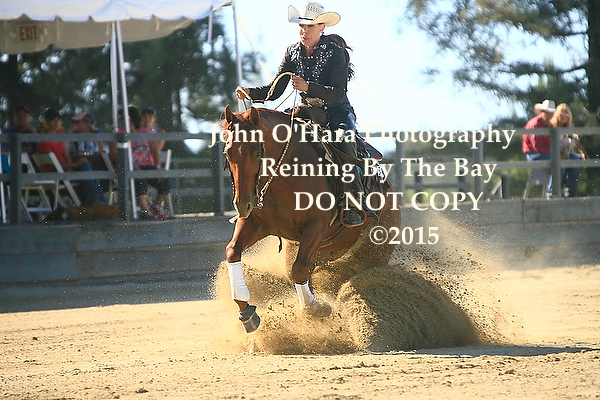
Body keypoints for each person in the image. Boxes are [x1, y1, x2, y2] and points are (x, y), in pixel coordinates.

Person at [234, 2, 364, 227]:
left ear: (322, 27)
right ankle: (262, 201)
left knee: (344, 139)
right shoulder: (292, 52)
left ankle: (353, 202)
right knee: (274, 138)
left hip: (337, 112)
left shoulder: (336, 53)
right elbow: (274, 91)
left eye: (310, 26)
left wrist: (308, 87)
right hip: (307, 112)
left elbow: (338, 94)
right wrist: (251, 93)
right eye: (301, 26)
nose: (304, 31)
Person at [36, 108, 107, 205]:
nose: (57, 123)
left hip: (64, 170)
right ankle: (98, 203)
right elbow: (53, 165)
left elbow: (67, 155)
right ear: (47, 122)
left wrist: (70, 166)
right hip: (54, 175)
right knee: (89, 173)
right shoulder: (43, 140)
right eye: (53, 120)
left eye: (58, 120)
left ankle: (95, 201)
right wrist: (75, 164)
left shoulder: (60, 135)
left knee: (87, 168)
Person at [120, 106, 171, 220]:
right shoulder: (120, 133)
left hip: (148, 166)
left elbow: (155, 152)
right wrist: (132, 164)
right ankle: (145, 210)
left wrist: (158, 168)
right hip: (133, 169)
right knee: (139, 178)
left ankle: (157, 205)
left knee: (165, 180)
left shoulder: (146, 132)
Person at [551, 103, 588, 197]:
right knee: (562, 165)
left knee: (577, 160)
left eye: (566, 116)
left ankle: (570, 193)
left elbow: (576, 142)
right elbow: (549, 146)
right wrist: (560, 155)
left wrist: (582, 152)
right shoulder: (552, 127)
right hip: (556, 155)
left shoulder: (568, 129)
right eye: (561, 115)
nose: (564, 118)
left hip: (566, 155)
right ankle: (553, 193)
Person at [523, 99, 556, 198]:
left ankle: (566, 193)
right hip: (533, 154)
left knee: (566, 163)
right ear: (542, 112)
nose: (550, 115)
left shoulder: (550, 126)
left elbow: (551, 144)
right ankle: (550, 194)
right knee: (557, 165)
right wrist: (554, 154)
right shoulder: (534, 125)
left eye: (551, 113)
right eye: (548, 112)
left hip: (545, 154)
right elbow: (536, 146)